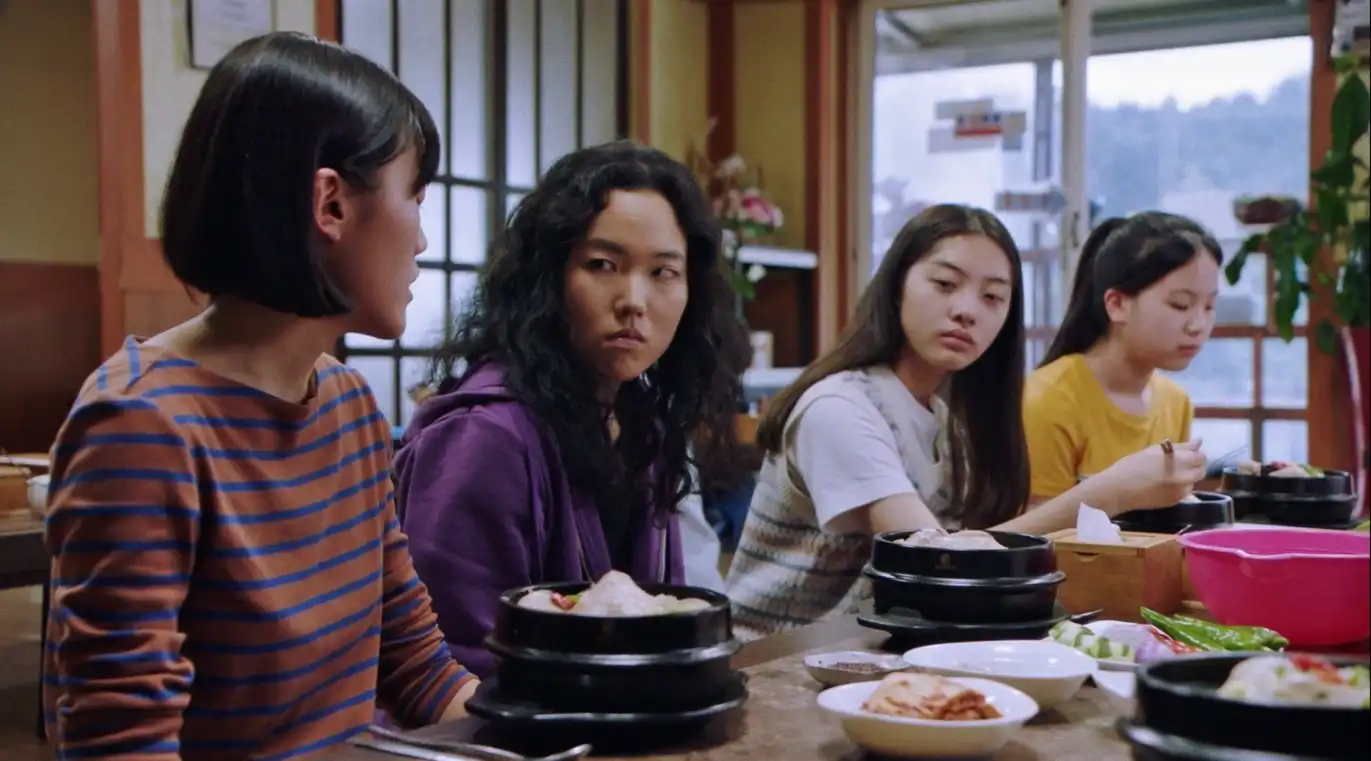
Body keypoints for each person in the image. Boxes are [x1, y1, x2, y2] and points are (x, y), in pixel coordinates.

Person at [41, 33, 476, 759]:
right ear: (330, 203)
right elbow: (121, 745)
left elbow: (417, 667)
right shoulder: (142, 423)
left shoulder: (346, 405)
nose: (424, 239)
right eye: (414, 196)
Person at [725, 205, 1208, 640]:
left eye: (993, 297)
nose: (966, 310)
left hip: (880, 653)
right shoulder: (839, 409)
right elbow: (940, 565)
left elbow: (973, 551)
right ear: (896, 288)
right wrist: (1112, 491)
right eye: (944, 284)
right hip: (777, 666)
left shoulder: (945, 417)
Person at [394, 141, 745, 677]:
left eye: (663, 272)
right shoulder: (483, 437)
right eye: (603, 265)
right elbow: (449, 665)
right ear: (549, 278)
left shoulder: (640, 419)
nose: (634, 299)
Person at [1024, 212, 1222, 502]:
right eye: (1180, 305)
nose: (1198, 326)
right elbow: (1033, 532)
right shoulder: (1049, 399)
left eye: (1209, 306)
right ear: (1117, 304)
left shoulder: (1175, 402)